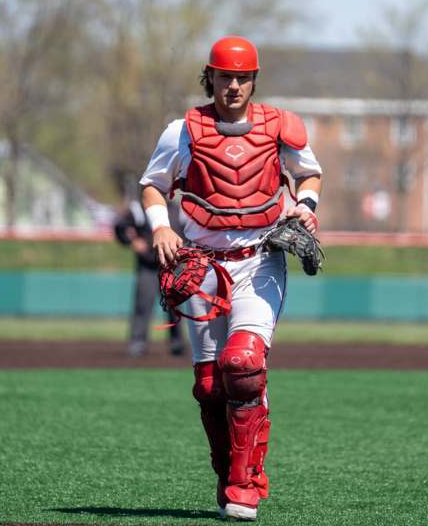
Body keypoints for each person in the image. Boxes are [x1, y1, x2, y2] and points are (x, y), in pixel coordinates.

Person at [139, 36, 322, 521]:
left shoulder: (279, 126)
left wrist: (304, 207)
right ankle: (228, 473)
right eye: (225, 76)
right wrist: (161, 227)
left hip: (259, 261)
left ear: (254, 80)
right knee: (208, 385)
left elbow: (309, 174)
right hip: (201, 265)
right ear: (211, 77)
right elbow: (153, 186)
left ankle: (245, 485)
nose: (234, 85)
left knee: (242, 365)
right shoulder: (183, 130)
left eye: (243, 77)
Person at [114, 197, 186, 358]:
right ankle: (137, 343)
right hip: (148, 264)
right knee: (143, 304)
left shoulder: (178, 208)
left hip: (171, 265)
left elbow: (189, 230)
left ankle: (177, 343)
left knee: (175, 306)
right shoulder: (139, 208)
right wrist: (132, 240)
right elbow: (120, 226)